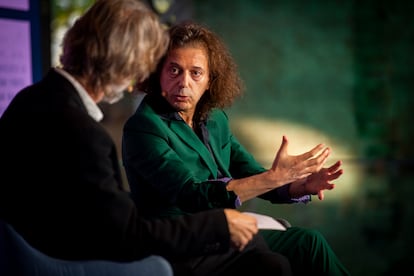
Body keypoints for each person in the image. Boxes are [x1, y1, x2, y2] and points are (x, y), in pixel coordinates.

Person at [0, 1, 293, 276]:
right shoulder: (84, 133)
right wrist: (218, 224)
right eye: (143, 65)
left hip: (34, 249)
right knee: (267, 262)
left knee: (268, 257)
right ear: (122, 63)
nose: (140, 78)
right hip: (62, 260)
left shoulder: (31, 98)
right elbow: (126, 236)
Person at [122, 20, 351, 276]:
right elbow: (191, 194)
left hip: (222, 233)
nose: (184, 83)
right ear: (158, 74)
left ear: (210, 80)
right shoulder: (144, 127)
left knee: (310, 244)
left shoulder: (215, 119)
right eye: (174, 70)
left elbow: (251, 173)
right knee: (274, 266)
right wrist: (273, 178)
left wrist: (298, 186)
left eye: (196, 73)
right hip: (182, 245)